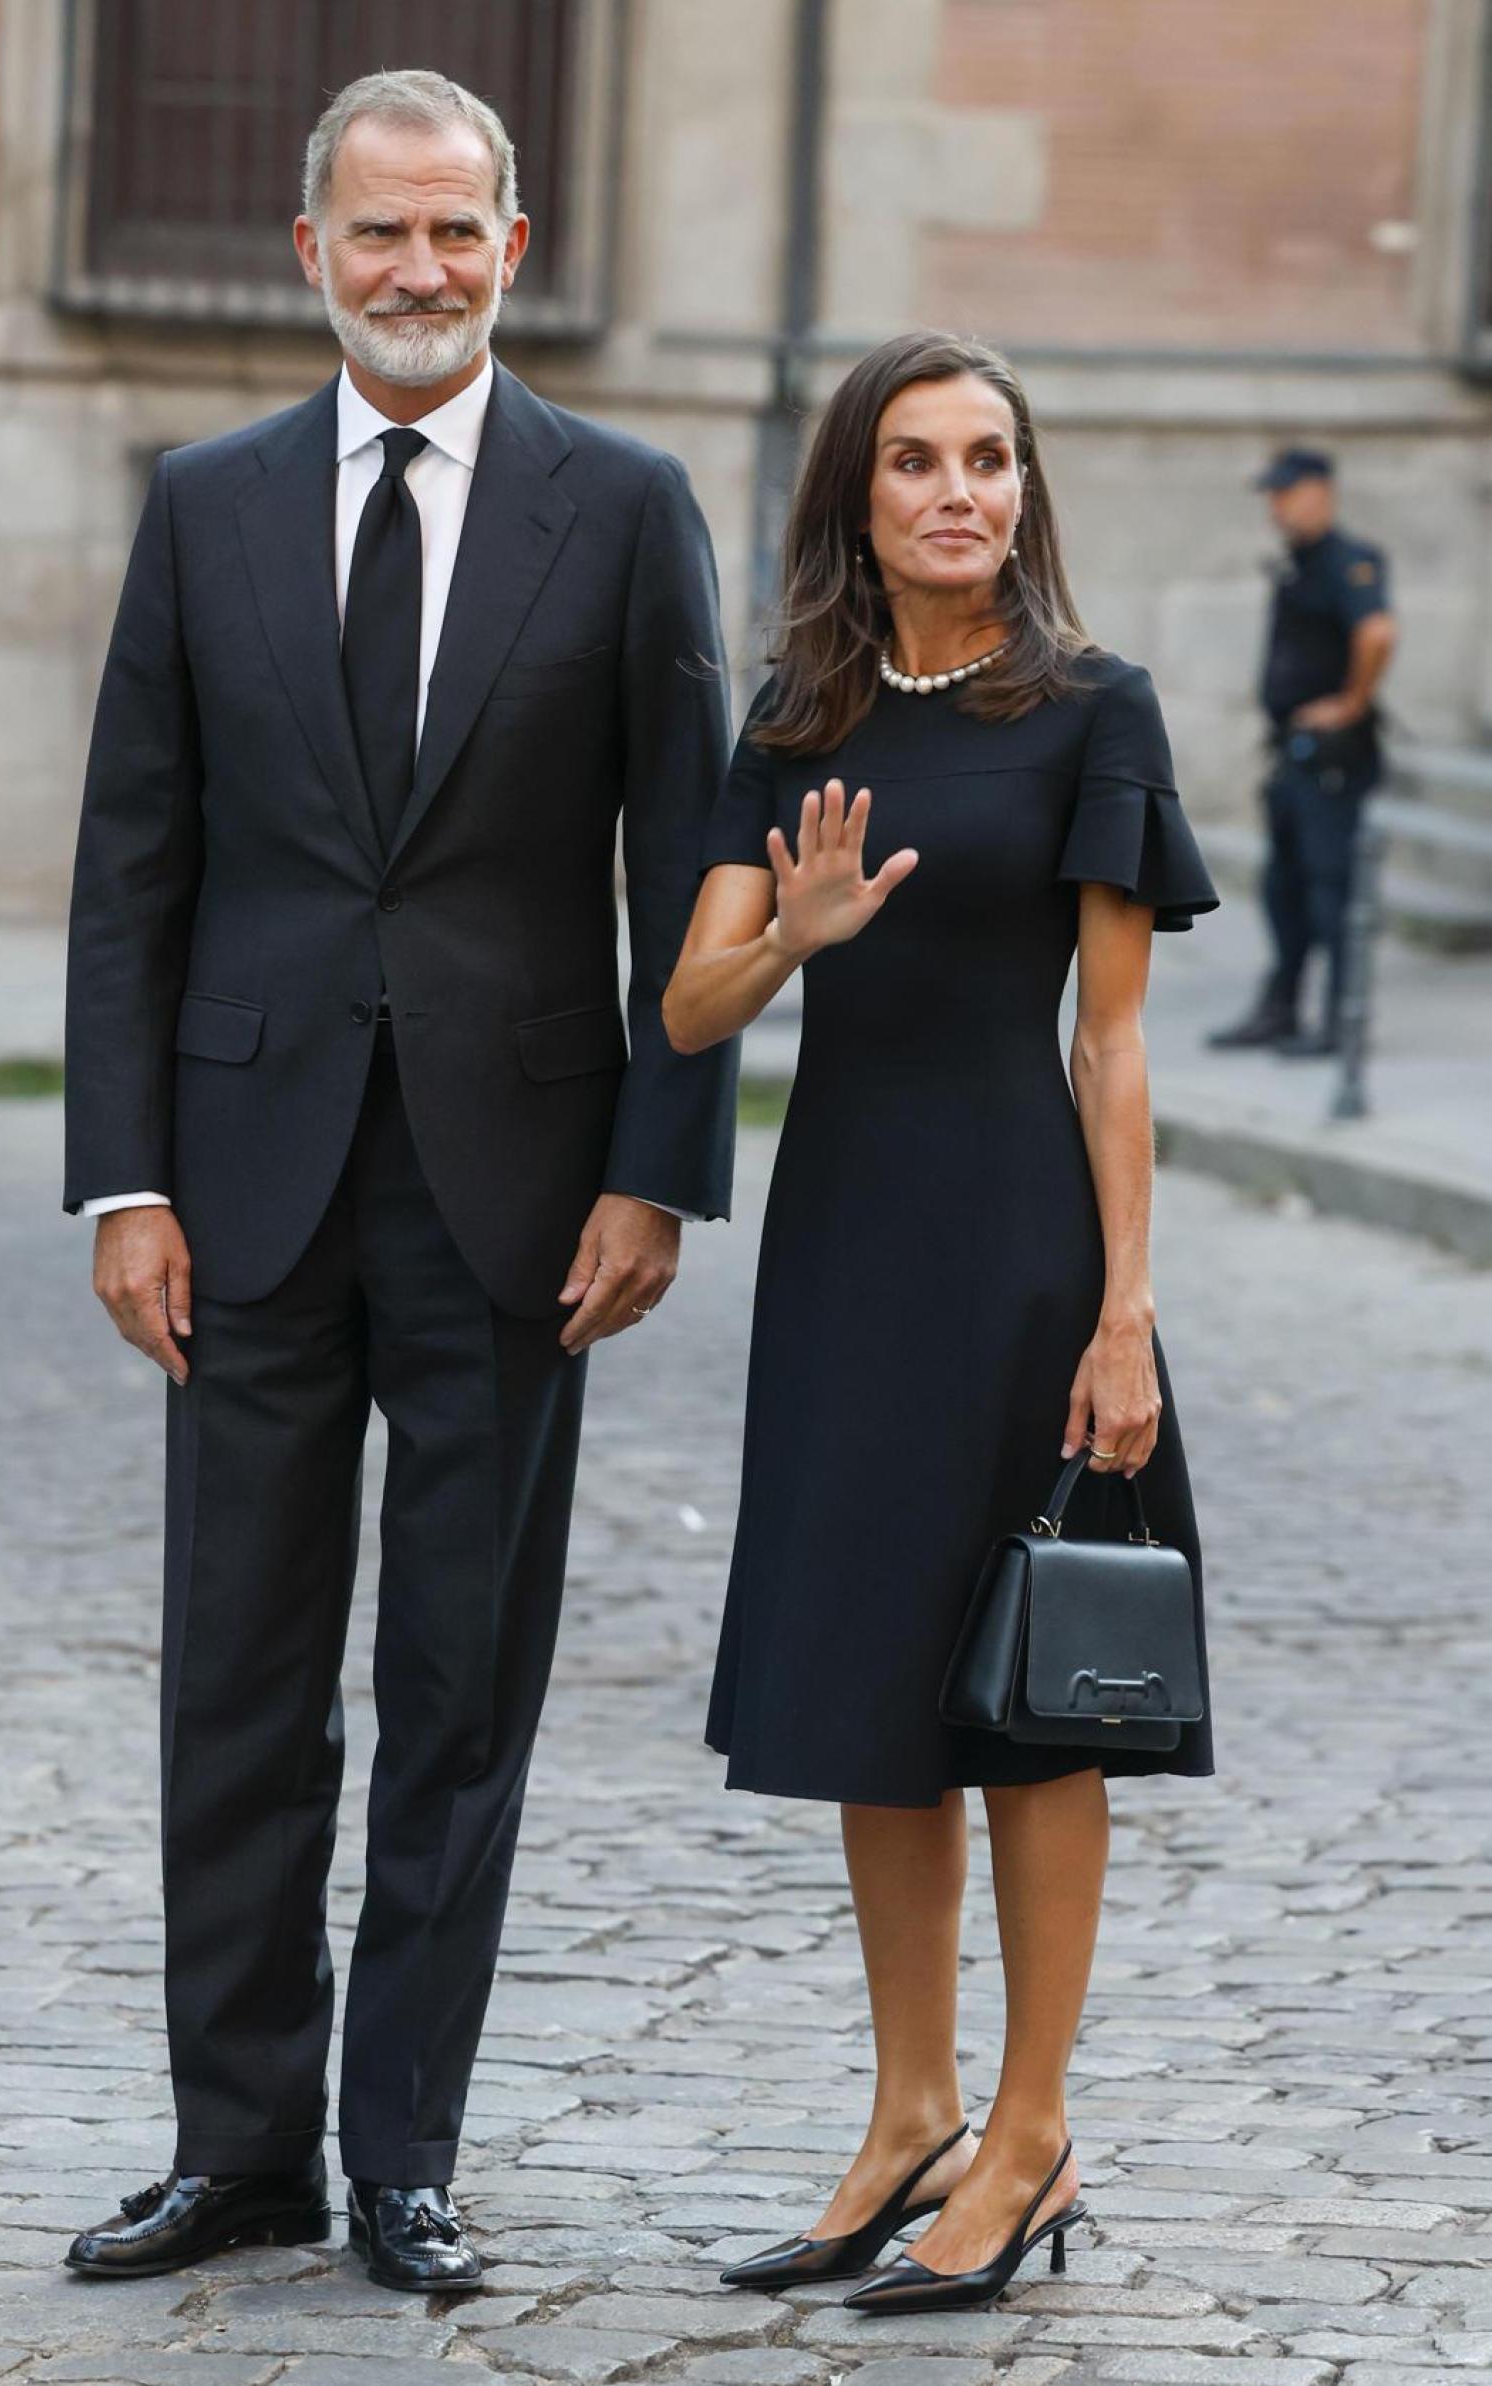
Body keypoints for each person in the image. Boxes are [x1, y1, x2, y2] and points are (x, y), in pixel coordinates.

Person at [60, 70, 737, 2292]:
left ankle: (402, 2156)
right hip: (240, 1189)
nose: (420, 271)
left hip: (518, 1199)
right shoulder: (206, 502)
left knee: (460, 1683)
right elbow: (131, 863)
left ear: (514, 249)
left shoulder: (622, 507)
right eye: (381, 235)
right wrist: (121, 1176)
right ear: (310, 253)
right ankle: (236, 2140)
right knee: (236, 1677)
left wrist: (656, 1170)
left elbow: (692, 869)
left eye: (458, 233)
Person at [662, 332, 1217, 2317]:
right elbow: (688, 1008)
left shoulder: (1092, 711)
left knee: (1022, 1706)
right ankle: (908, 2109)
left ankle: (1031, 2125)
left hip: (1017, 1251)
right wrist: (786, 934)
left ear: (1022, 489)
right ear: (859, 493)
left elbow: (1115, 1033)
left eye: (989, 457)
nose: (957, 491)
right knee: (865, 1692)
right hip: (840, 1246)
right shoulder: (798, 714)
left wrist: (1127, 1307)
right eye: (915, 460)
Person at [1209, 447, 1396, 1056]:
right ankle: (1283, 1005)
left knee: (1329, 889)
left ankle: (1342, 1021)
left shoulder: (1349, 561)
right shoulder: (1299, 563)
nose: (1277, 505)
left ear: (1321, 492)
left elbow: (1377, 631)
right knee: (1282, 887)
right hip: (1294, 753)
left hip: (1332, 758)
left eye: (1287, 492)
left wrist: (1351, 702)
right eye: (1273, 494)